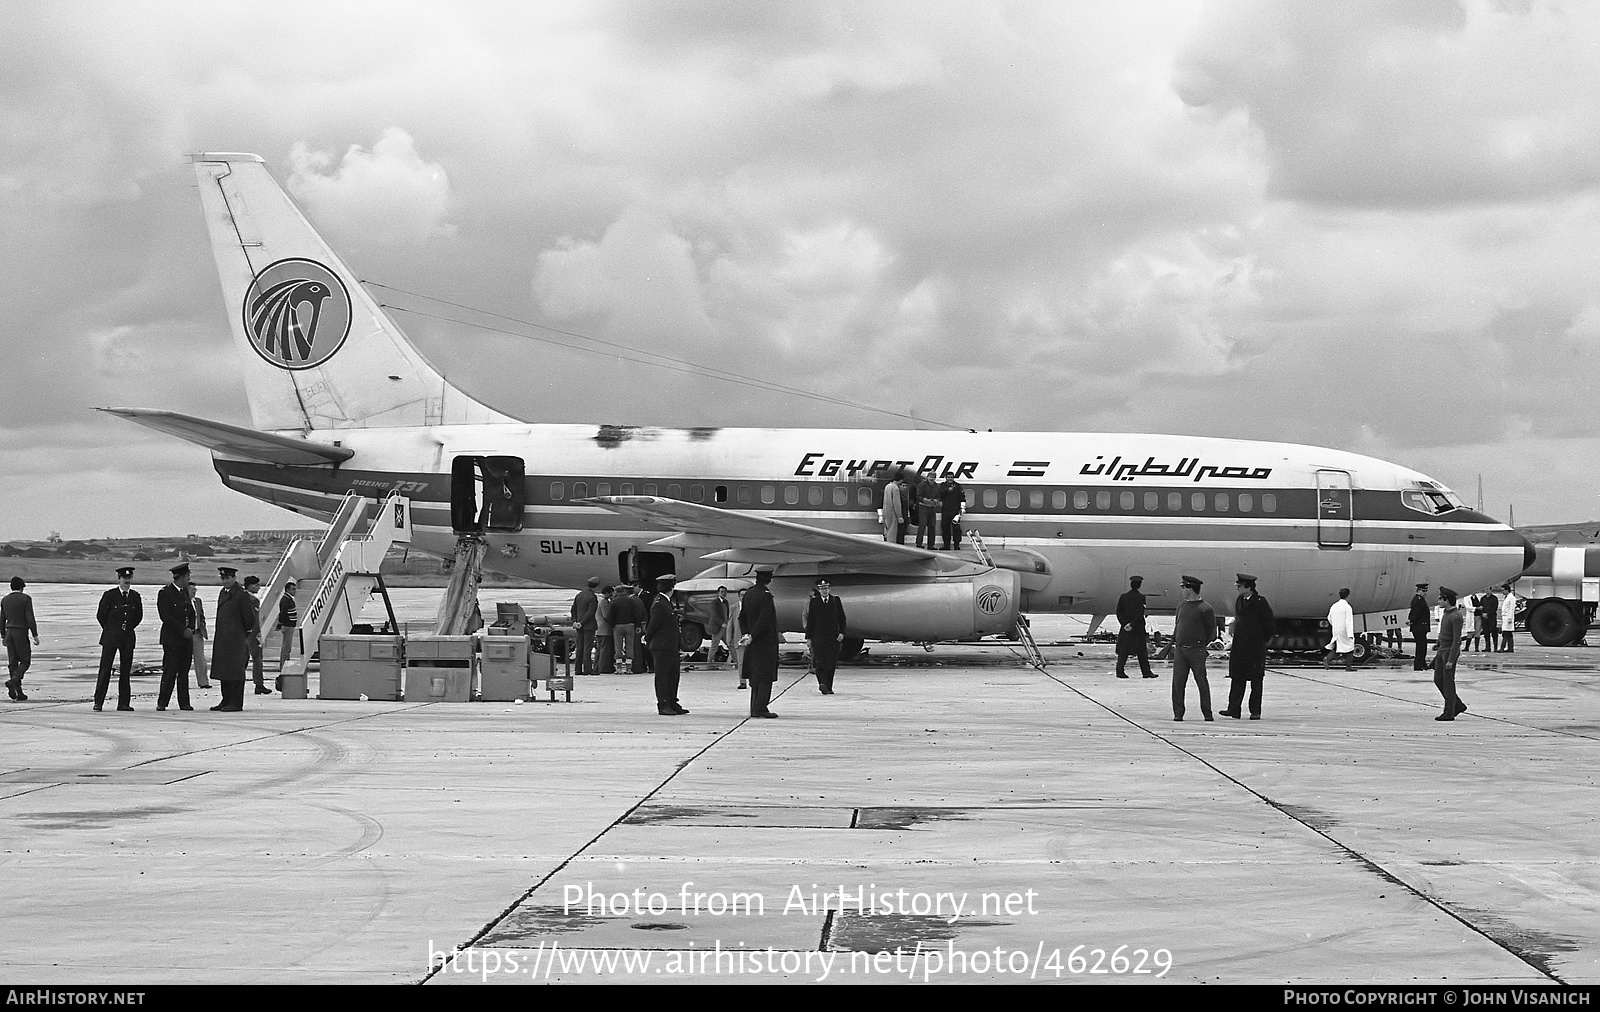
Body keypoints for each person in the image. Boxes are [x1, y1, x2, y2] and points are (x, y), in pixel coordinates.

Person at [1222, 573, 1275, 720]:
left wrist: (1263, 641)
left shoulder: (1260, 602)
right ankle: (1233, 709)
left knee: (1256, 681)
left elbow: (1268, 623)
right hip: (1240, 646)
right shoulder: (1240, 600)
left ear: (1248, 587)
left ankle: (1255, 711)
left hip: (1254, 647)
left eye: (1239, 586)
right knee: (1237, 678)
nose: (1237, 588)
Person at [94, 566, 143, 711]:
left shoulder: (135, 596)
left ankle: (123, 703)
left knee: (125, 670)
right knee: (105, 669)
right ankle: (98, 702)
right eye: (124, 578)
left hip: (127, 637)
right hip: (111, 637)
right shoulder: (110, 595)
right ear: (119, 579)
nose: (127, 581)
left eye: (129, 578)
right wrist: (111, 629)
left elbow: (138, 616)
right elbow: (101, 615)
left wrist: (127, 628)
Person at [210, 566, 258, 712]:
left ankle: (236, 702)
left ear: (234, 578)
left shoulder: (241, 595)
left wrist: (240, 633)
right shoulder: (223, 593)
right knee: (224, 671)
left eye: (228, 578)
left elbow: (249, 618)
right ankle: (226, 700)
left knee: (235, 672)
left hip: (236, 639)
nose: (225, 581)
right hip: (223, 639)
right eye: (223, 578)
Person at [1170, 575, 1215, 721]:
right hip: (1181, 650)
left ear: (1190, 589)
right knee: (1178, 683)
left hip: (1197, 649)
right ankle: (1178, 713)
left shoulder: (1206, 608)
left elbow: (1211, 632)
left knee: (1201, 681)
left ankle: (1207, 713)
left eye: (1184, 587)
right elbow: (1178, 625)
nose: (1182, 590)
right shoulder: (1181, 606)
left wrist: (1200, 644)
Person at [156, 562, 197, 712]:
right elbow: (165, 616)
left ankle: (184, 702)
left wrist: (191, 628)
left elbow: (191, 613)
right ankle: (162, 702)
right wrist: (182, 630)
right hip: (172, 639)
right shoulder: (165, 593)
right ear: (181, 577)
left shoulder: (184, 592)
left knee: (184, 672)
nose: (189, 579)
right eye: (187, 576)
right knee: (170, 671)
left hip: (186, 639)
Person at [644, 574, 686, 715]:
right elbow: (653, 624)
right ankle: (663, 704)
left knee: (673, 676)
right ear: (671, 588)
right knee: (663, 676)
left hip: (670, 646)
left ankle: (672, 702)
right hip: (662, 647)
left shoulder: (665, 602)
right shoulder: (659, 603)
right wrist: (647, 638)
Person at [741, 568, 780, 717]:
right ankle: (761, 707)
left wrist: (747, 634)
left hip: (753, 644)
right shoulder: (766, 596)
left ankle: (755, 707)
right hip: (764, 642)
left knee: (755, 676)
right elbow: (764, 620)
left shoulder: (749, 593)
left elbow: (742, 617)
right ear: (769, 579)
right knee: (765, 676)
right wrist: (753, 635)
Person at [804, 578, 847, 694]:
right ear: (819, 589)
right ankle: (822, 683)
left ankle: (829, 686)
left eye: (826, 588)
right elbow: (811, 621)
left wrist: (842, 632)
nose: (825, 590)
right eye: (822, 588)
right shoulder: (814, 602)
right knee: (820, 661)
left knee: (831, 662)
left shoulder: (835, 600)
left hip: (833, 637)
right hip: (818, 637)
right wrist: (808, 637)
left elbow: (842, 618)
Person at [1433, 587, 1467, 721]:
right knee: (1438, 679)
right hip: (1442, 650)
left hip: (1449, 652)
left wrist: (1451, 660)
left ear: (1446, 600)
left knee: (1448, 683)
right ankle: (1457, 705)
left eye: (1440, 599)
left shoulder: (1456, 616)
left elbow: (1457, 640)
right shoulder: (1446, 613)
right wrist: (1438, 642)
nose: (1438, 601)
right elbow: (1444, 632)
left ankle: (1449, 712)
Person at [3, 577, 39, 701]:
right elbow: (29, 617)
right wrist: (35, 634)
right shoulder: (25, 599)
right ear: (21, 587)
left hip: (9, 633)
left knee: (12, 662)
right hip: (20, 632)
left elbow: (1, 619)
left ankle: (19, 692)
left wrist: (3, 635)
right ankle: (14, 680)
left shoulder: (5, 600)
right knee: (25, 661)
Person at [1114, 575, 1156, 679]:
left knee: (1123, 651)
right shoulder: (1141, 597)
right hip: (1137, 628)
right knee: (1141, 652)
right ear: (1139, 585)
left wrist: (1125, 624)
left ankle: (1120, 671)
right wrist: (1132, 624)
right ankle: (1146, 672)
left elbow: (1119, 612)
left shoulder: (1123, 597)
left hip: (1125, 628)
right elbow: (1139, 614)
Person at [241, 575, 266, 692]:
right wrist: (258, 634)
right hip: (251, 634)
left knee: (243, 660)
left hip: (244, 634)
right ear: (250, 586)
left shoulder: (241, 597)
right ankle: (259, 684)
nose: (259, 588)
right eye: (256, 585)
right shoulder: (252, 600)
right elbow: (254, 620)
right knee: (257, 658)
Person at [571, 576, 599, 675]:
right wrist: (582, 622)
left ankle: (578, 669)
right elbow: (590, 612)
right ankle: (588, 669)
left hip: (579, 626)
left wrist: (575, 621)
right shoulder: (592, 597)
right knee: (587, 648)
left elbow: (573, 609)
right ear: (596, 586)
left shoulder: (579, 595)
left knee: (580, 647)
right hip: (588, 625)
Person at [1325, 588, 1356, 670]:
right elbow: (1349, 621)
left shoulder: (1334, 606)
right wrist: (1350, 634)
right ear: (1348, 596)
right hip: (1345, 630)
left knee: (1338, 647)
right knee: (1350, 647)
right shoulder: (1347, 607)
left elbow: (1329, 617)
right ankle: (1348, 666)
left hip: (1336, 629)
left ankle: (1327, 659)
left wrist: (1335, 625)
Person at [189, 581, 212, 689]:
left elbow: (201, 615)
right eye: (191, 589)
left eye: (195, 590)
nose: (194, 592)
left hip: (197, 633)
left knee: (200, 659)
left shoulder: (197, 601)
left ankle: (203, 682)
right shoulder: (182, 601)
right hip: (186, 634)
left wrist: (202, 624)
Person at [613, 584, 639, 672]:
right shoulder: (632, 600)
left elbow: (610, 615)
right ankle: (628, 668)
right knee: (630, 646)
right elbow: (636, 613)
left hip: (618, 625)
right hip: (630, 625)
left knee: (618, 646)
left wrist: (612, 625)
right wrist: (637, 625)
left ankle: (619, 668)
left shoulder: (614, 601)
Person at [705, 585, 731, 669]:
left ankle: (733, 661)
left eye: (725, 592)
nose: (723, 594)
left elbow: (726, 613)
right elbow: (714, 615)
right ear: (718, 593)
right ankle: (709, 664)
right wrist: (721, 623)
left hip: (724, 627)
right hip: (718, 627)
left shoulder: (726, 602)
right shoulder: (715, 603)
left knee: (729, 643)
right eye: (722, 592)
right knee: (714, 645)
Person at [276, 580, 300, 671]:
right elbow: (283, 613)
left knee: (286, 647)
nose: (295, 591)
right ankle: (284, 666)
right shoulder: (286, 600)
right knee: (287, 647)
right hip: (288, 626)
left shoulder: (288, 599)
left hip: (290, 625)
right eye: (293, 589)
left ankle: (285, 664)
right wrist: (280, 623)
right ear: (287, 590)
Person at [914, 474, 940, 549]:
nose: (932, 478)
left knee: (932, 526)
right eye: (930, 477)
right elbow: (918, 496)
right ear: (927, 477)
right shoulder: (922, 485)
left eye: (933, 477)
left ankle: (931, 545)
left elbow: (939, 496)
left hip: (932, 508)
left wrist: (936, 500)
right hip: (923, 507)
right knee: (922, 525)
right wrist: (925, 500)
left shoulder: (936, 486)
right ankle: (919, 543)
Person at [1408, 583, 1431, 670]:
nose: (1425, 593)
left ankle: (1422, 663)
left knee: (1422, 646)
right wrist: (1412, 620)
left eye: (1426, 591)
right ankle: (1419, 665)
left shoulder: (1420, 599)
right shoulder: (1418, 600)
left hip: (1420, 627)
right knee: (1420, 647)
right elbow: (1416, 614)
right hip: (1419, 627)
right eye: (1423, 591)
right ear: (1418, 591)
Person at [939, 477, 965, 550]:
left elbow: (962, 497)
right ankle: (946, 545)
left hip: (955, 511)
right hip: (945, 511)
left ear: (953, 478)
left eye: (951, 477)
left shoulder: (958, 486)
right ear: (946, 478)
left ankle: (957, 545)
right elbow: (940, 495)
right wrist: (948, 490)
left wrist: (962, 508)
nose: (950, 479)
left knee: (956, 529)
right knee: (945, 528)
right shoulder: (942, 486)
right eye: (948, 477)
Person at [595, 585, 616, 674]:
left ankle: (597, 667)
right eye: (611, 594)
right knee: (605, 650)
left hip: (598, 628)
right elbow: (606, 615)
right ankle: (604, 668)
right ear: (607, 593)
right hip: (605, 629)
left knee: (599, 650)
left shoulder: (597, 599)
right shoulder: (604, 601)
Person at [881, 477, 904, 544]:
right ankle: (891, 545)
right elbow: (896, 503)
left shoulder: (887, 486)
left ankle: (887, 542)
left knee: (887, 529)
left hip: (886, 511)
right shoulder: (895, 488)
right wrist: (899, 516)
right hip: (893, 512)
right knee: (892, 531)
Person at [1478, 587, 1500, 654]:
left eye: (1488, 589)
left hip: (1492, 617)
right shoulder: (1483, 599)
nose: (1486, 591)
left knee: (1494, 632)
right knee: (1486, 632)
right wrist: (1483, 614)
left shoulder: (1494, 598)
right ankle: (1488, 647)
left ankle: (1495, 647)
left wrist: (1488, 614)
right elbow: (1481, 607)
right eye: (1485, 589)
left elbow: (1494, 608)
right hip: (1484, 618)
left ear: (1491, 590)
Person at [1498, 583, 1518, 653]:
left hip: (1508, 617)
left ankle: (1502, 647)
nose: (1502, 592)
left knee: (1506, 633)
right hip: (1505, 617)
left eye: (1503, 590)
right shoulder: (1507, 597)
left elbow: (1512, 609)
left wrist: (1510, 618)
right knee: (1508, 634)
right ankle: (1510, 648)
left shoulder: (1511, 598)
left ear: (1507, 590)